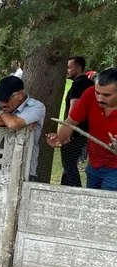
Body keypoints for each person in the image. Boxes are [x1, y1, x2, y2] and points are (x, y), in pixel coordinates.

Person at [47, 68, 117, 191]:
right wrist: (59, 138)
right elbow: (71, 121)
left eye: (106, 95)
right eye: (97, 92)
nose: (99, 98)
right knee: (91, 201)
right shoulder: (90, 94)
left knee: (105, 205)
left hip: (115, 169)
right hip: (94, 165)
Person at [0, 76, 45, 181]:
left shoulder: (37, 106)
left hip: (23, 169)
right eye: (0, 100)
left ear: (20, 94)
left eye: (6, 99)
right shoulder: (2, 104)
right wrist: (13, 120)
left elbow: (13, 124)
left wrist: (1, 113)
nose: (2, 104)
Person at [59, 56, 94, 187]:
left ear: (79, 67)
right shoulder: (89, 84)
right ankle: (65, 192)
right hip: (84, 131)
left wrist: (68, 131)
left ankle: (76, 192)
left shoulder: (79, 84)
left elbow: (74, 110)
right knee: (69, 165)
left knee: (69, 166)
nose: (66, 70)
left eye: (69, 67)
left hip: (75, 133)